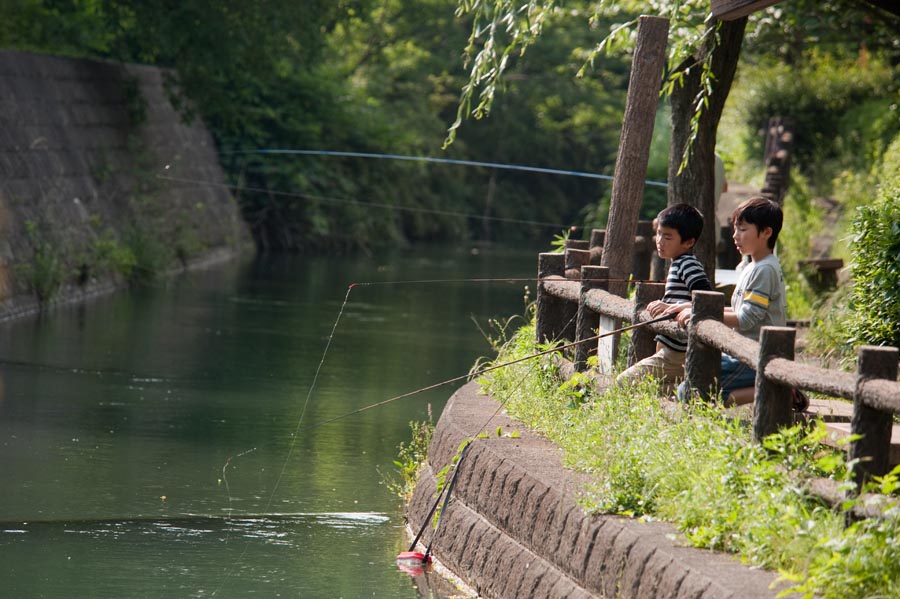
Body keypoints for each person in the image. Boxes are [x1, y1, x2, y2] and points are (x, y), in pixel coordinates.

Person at [675, 196, 786, 404]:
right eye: (735, 229)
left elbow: (746, 318)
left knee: (692, 392)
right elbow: (741, 311)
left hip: (756, 354)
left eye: (743, 230)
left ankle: (779, 392)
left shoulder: (764, 269)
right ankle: (771, 387)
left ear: (766, 232)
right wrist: (695, 308)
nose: (735, 236)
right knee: (692, 382)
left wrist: (700, 315)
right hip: (742, 351)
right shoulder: (751, 266)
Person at [616, 203, 711, 392]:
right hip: (670, 349)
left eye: (668, 237)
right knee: (657, 390)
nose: (660, 240)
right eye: (659, 233)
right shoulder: (677, 263)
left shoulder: (688, 264)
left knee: (623, 382)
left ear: (688, 242)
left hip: (678, 352)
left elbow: (707, 300)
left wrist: (677, 306)